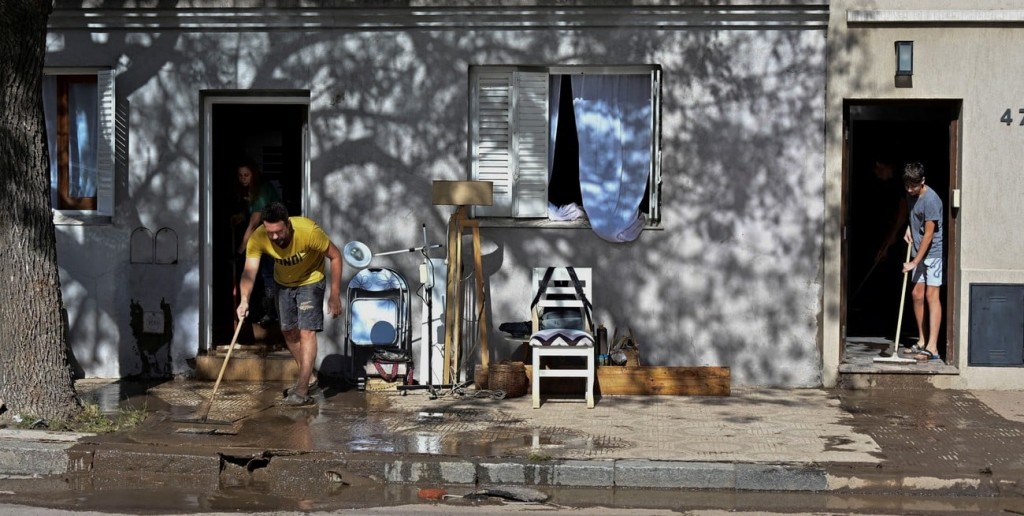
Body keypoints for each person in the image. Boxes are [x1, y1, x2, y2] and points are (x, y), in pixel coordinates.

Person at [237, 202, 344, 406]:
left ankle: (302, 390)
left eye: (278, 232)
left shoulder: (308, 231)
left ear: (288, 225)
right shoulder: (259, 237)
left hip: (310, 280)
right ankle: (310, 378)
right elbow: (249, 272)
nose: (274, 237)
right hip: (283, 282)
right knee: (289, 331)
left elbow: (335, 256)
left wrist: (335, 294)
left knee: (307, 331)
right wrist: (244, 300)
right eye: (270, 233)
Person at [900, 162, 943, 362]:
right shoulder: (911, 194)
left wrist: (913, 262)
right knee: (917, 294)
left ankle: (933, 347)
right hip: (918, 250)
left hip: (932, 254)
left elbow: (929, 235)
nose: (909, 189)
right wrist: (910, 228)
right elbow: (914, 217)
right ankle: (922, 339)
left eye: (913, 186)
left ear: (923, 181)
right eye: (907, 185)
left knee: (930, 296)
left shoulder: (931, 200)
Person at [231, 160, 281, 326]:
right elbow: (252, 215)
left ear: (254, 174)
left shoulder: (262, 190)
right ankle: (264, 311)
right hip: (262, 236)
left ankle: (271, 313)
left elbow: (254, 224)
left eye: (246, 175)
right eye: (240, 176)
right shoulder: (250, 191)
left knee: (267, 274)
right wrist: (241, 217)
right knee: (260, 274)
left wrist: (239, 250)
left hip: (273, 235)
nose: (243, 179)